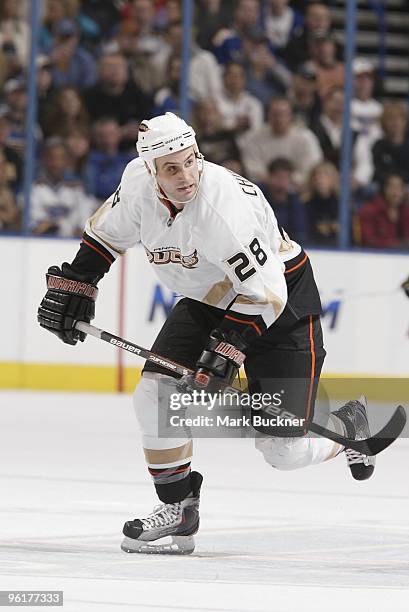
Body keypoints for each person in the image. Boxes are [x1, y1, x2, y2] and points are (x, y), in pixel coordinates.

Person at [37, 112, 375, 555]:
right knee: (153, 394)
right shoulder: (137, 184)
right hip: (208, 298)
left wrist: (226, 350)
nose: (186, 175)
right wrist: (78, 283)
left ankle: (347, 427)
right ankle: (179, 510)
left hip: (280, 302)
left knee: (282, 451)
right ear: (150, 170)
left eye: (191, 161)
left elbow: (265, 293)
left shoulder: (223, 209)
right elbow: (105, 237)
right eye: (171, 168)